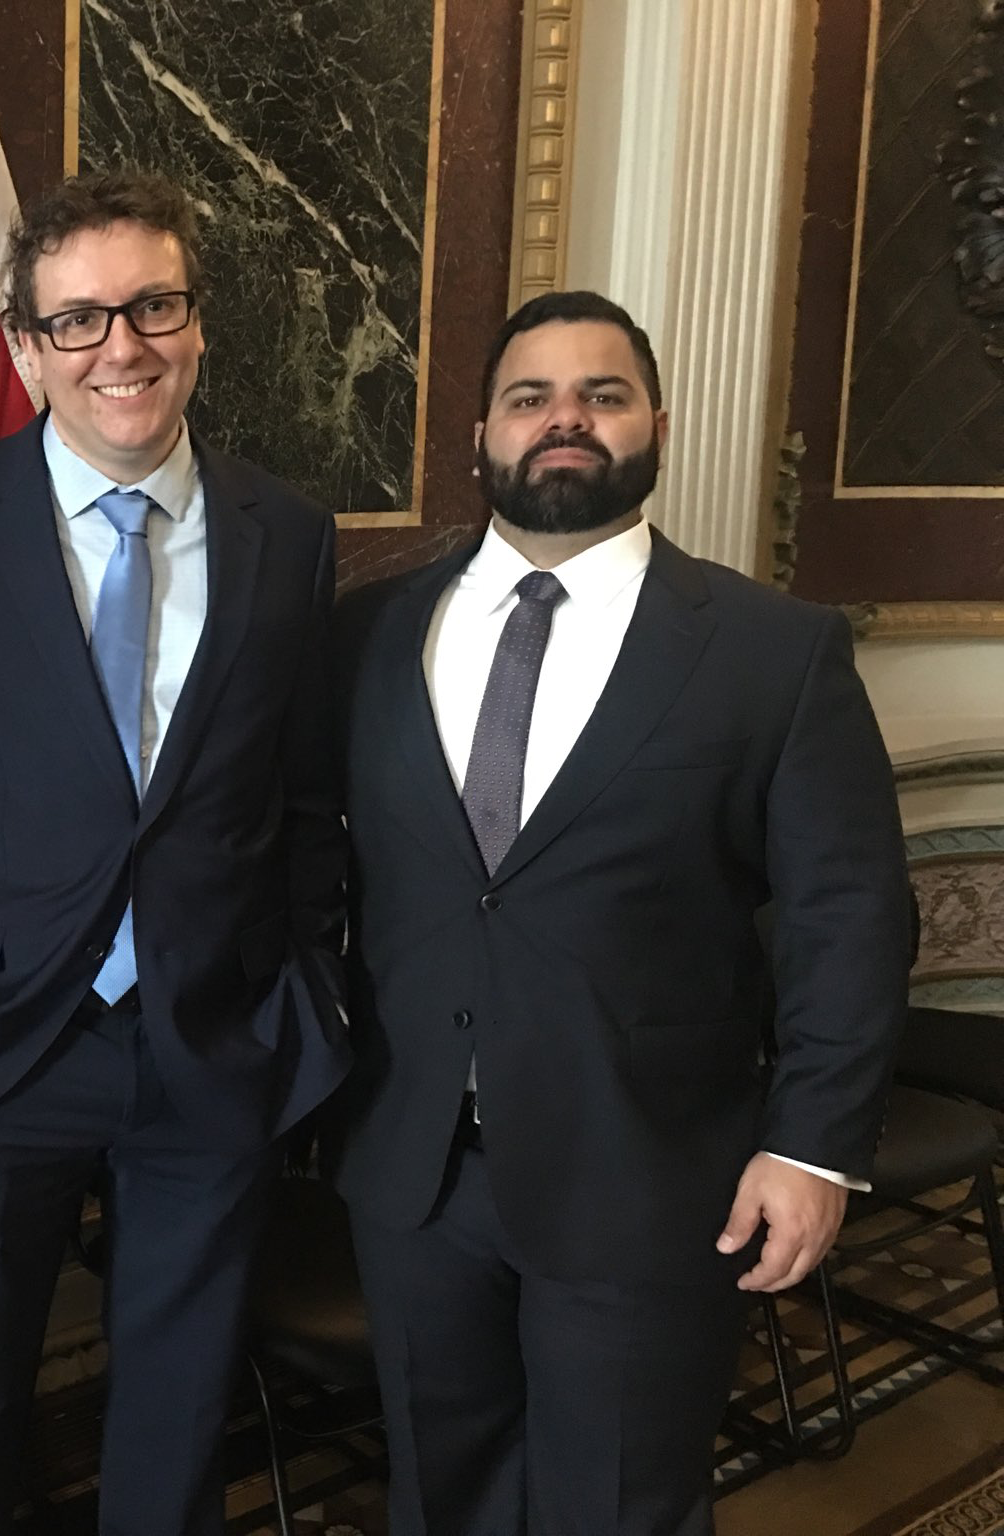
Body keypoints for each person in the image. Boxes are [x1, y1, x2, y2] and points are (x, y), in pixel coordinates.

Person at [332, 289, 910, 1536]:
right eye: (530, 397)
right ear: (479, 431)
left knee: (621, 1507)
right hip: (413, 1166)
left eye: (600, 395)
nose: (565, 421)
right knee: (441, 1496)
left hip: (647, 1171)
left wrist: (810, 1146)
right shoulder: (369, 635)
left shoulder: (772, 650)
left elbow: (847, 911)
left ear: (655, 421)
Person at [0, 169, 350, 1535]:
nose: (119, 347)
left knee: (181, 1408)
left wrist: (293, 1005)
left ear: (197, 326)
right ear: (25, 347)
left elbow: (305, 807)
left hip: (208, 1042)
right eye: (77, 320)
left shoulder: (289, 540)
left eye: (151, 307)